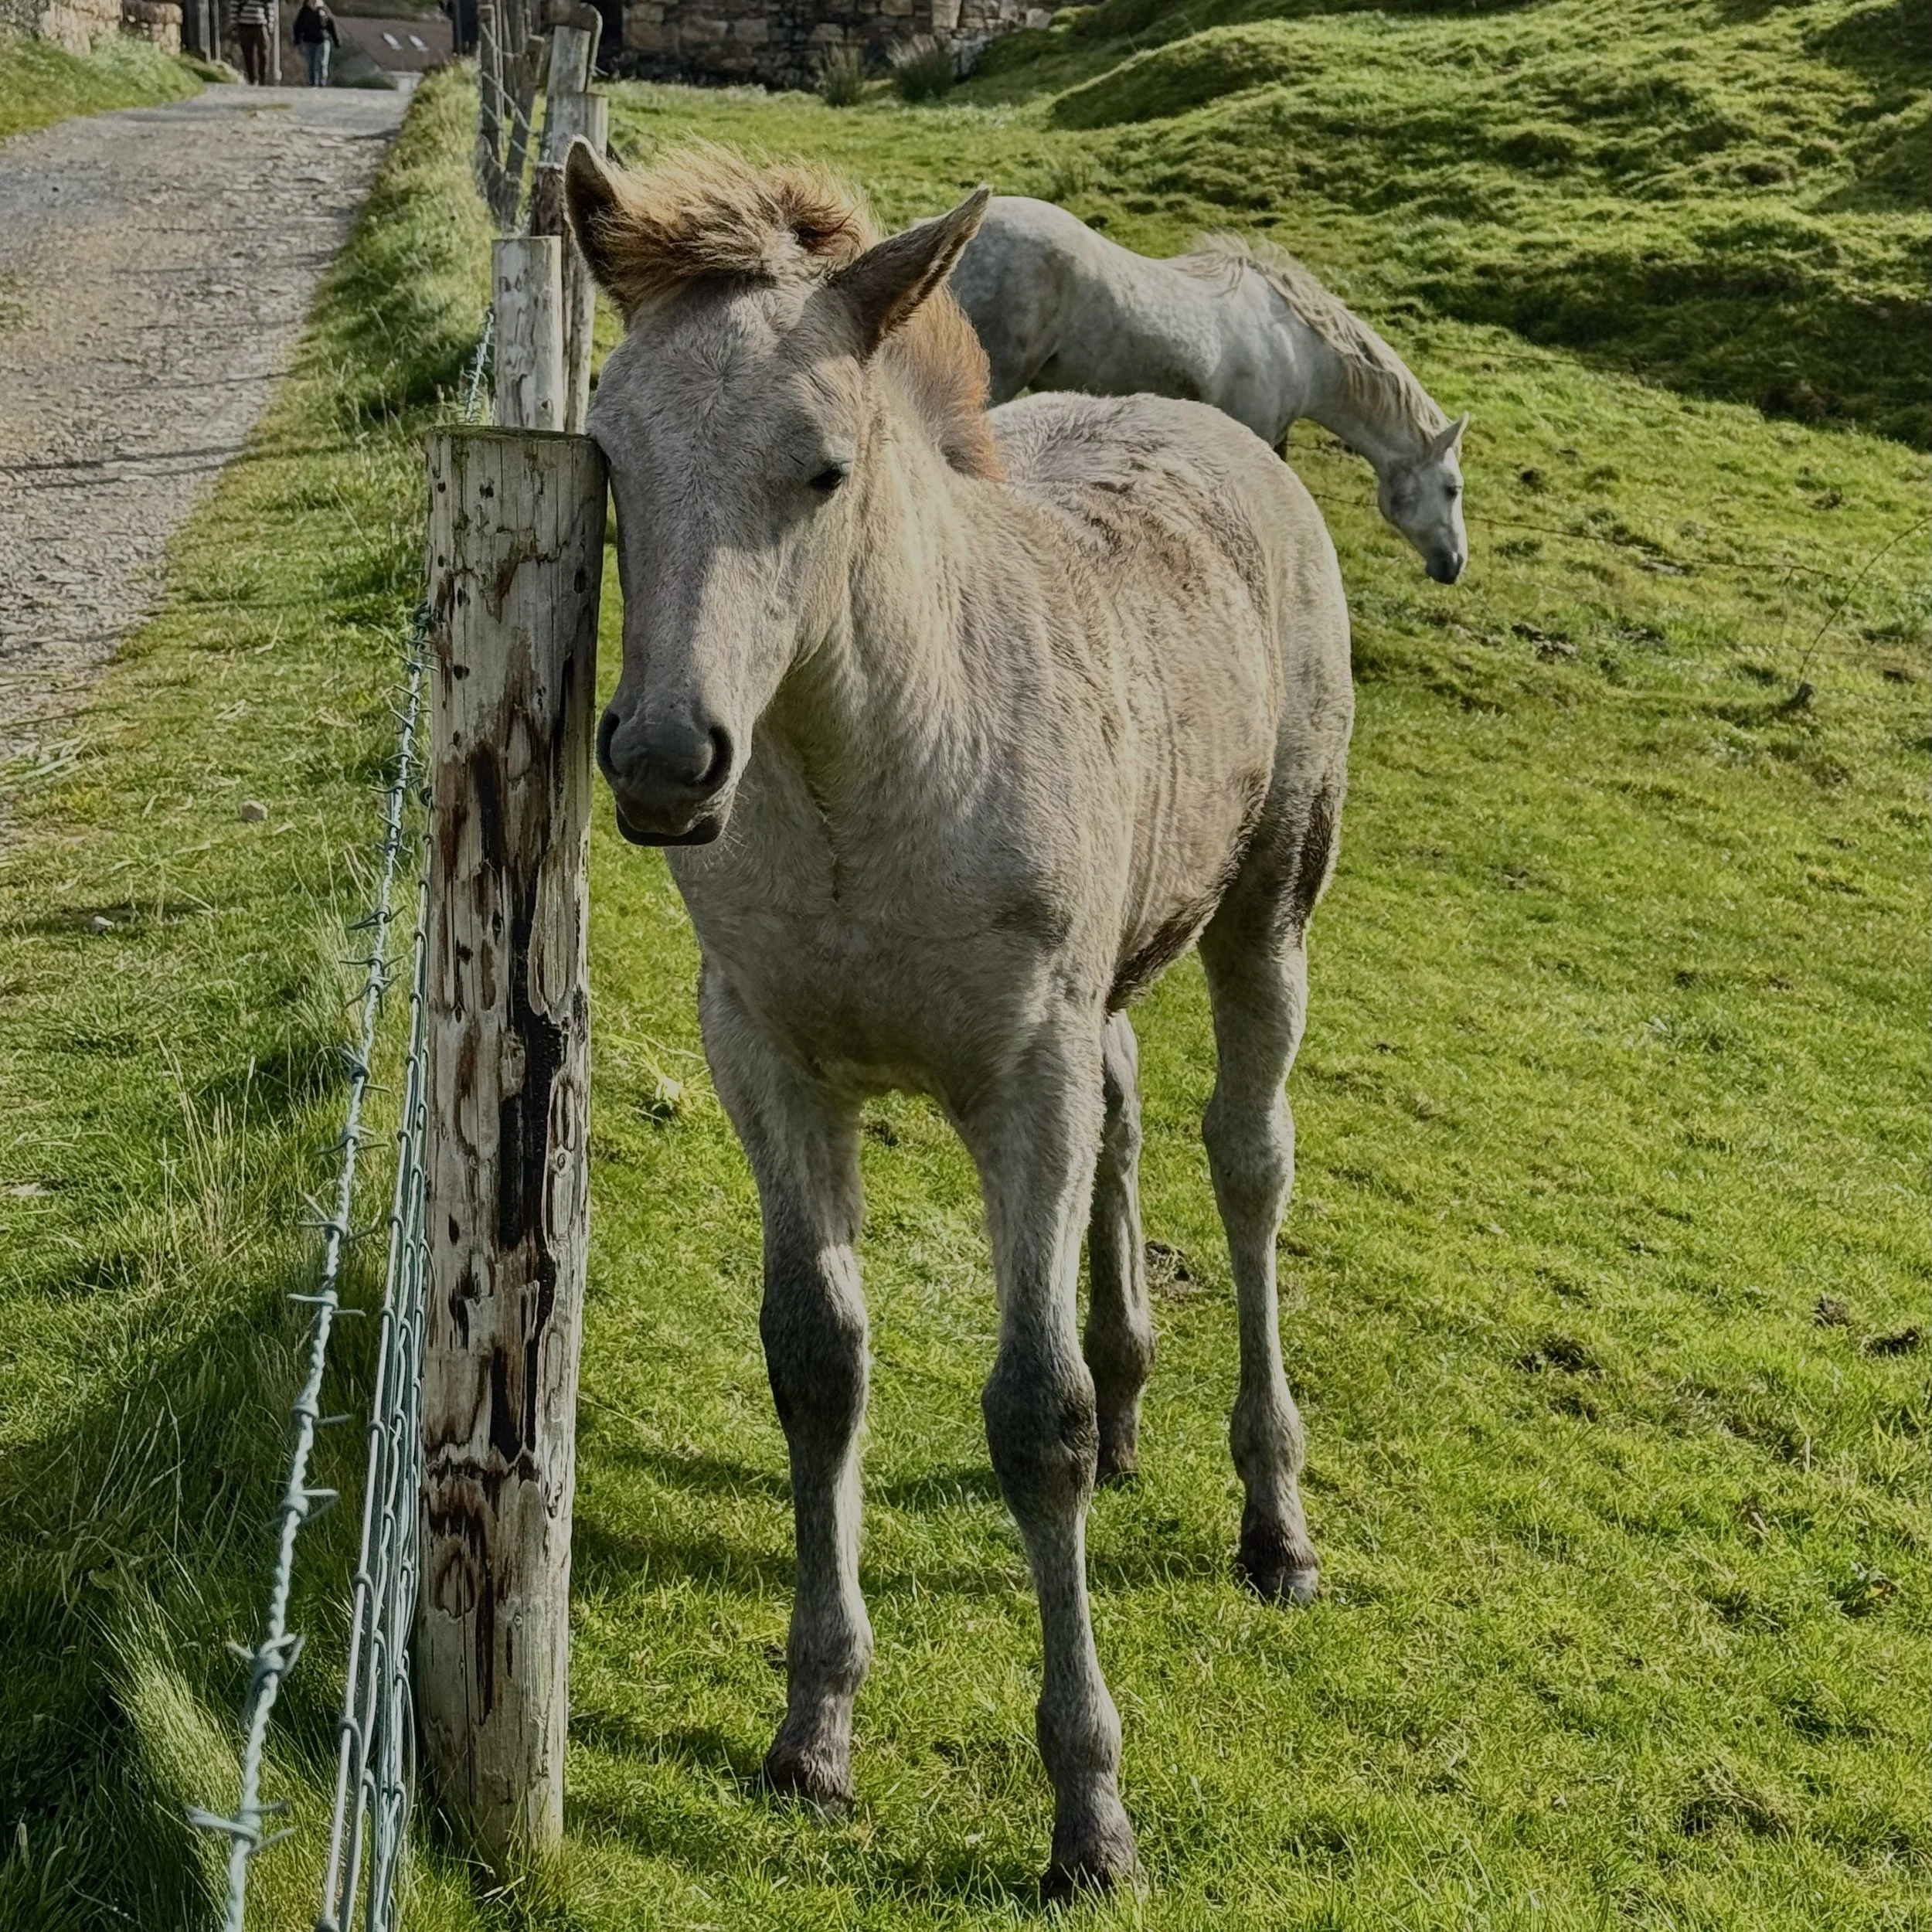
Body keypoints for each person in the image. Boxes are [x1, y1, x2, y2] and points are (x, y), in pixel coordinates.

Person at [292, 0, 338, 85]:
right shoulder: (305, 11)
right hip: (309, 41)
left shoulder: (324, 9)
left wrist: (336, 40)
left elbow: (331, 24)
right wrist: (297, 40)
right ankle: (312, 83)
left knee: (322, 63)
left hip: (323, 40)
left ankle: (322, 82)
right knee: (311, 63)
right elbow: (298, 26)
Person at [231, 0, 271, 82]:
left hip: (260, 25)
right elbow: (234, 7)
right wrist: (234, 25)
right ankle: (252, 78)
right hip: (244, 25)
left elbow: (270, 7)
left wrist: (270, 25)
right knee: (248, 54)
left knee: (264, 52)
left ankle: (262, 78)